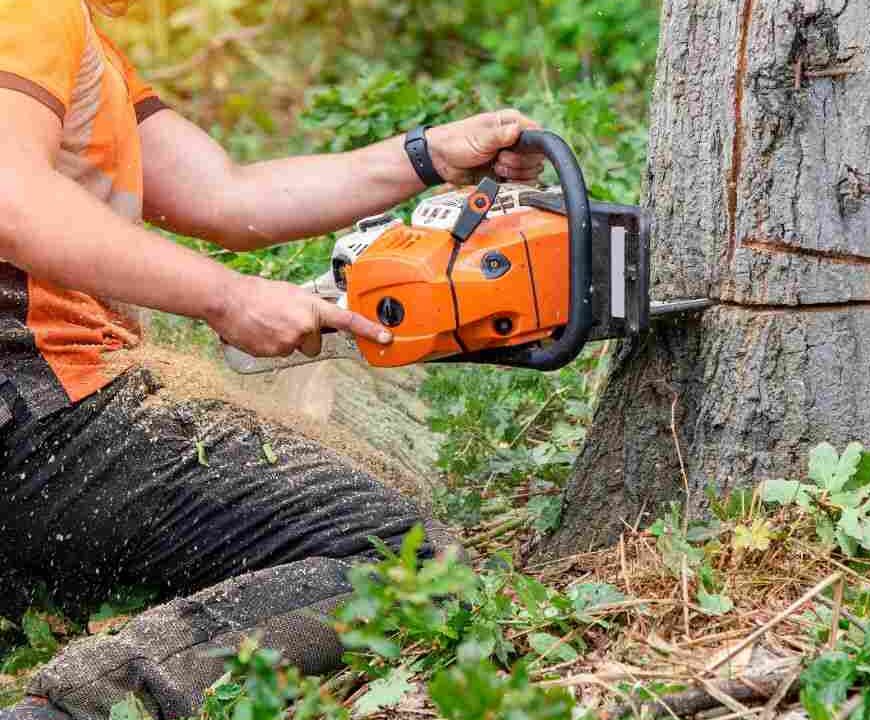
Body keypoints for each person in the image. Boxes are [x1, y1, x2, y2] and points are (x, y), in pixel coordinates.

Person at [0, 1, 546, 718]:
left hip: (30, 431)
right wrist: (228, 298)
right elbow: (12, 196)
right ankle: (76, 706)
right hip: (39, 408)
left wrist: (426, 156)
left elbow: (229, 197)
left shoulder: (75, 40)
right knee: (402, 558)